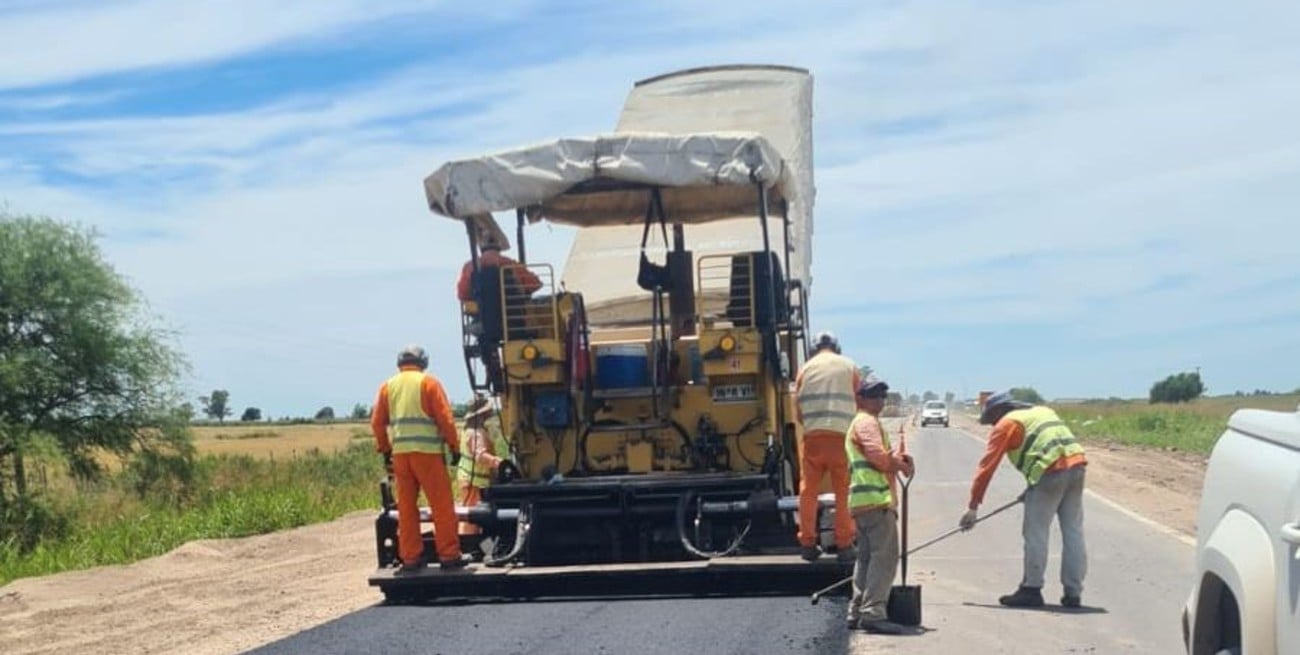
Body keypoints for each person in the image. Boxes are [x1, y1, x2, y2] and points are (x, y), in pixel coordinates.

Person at [959, 390, 1088, 607]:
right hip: (1077, 467)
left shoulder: (1006, 424)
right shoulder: (1042, 411)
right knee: (1073, 532)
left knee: (1035, 533)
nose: (992, 425)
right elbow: (1046, 447)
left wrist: (973, 507)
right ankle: (1073, 593)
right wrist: (1031, 488)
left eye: (991, 418)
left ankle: (1031, 589)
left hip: (1050, 474)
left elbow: (986, 468)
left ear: (999, 410)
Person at [370, 345, 470, 573]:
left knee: (406, 508)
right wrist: (454, 447)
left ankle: (410, 558)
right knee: (441, 505)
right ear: (423, 362)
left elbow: (377, 423)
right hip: (428, 455)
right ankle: (449, 555)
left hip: (401, 457)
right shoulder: (429, 383)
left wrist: (385, 450)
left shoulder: (388, 386)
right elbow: (445, 419)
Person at [845, 375, 914, 634]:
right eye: (874, 395)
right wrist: (899, 464)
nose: (880, 401)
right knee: (884, 559)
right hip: (875, 501)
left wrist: (898, 460)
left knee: (865, 560)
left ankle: (857, 611)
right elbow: (877, 457)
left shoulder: (861, 423)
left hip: (862, 503)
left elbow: (878, 456)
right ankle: (873, 613)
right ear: (860, 399)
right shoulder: (866, 422)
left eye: (883, 396)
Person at [794, 331, 861, 562]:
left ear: (814, 349)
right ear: (836, 347)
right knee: (843, 492)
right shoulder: (849, 366)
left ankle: (808, 544)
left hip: (813, 437)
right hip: (842, 438)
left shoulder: (805, 369)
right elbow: (860, 401)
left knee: (808, 491)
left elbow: (798, 410)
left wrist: (812, 425)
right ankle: (844, 545)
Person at [456, 394, 518, 535]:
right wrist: (499, 463)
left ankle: (471, 544)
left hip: (469, 479)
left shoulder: (469, 430)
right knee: (472, 516)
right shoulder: (476, 432)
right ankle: (468, 544)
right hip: (473, 480)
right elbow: (480, 456)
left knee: (472, 515)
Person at [456, 232, 541, 302]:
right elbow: (535, 284)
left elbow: (462, 295)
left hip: (482, 317)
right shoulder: (510, 264)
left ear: (481, 246)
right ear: (498, 246)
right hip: (514, 315)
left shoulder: (469, 267)